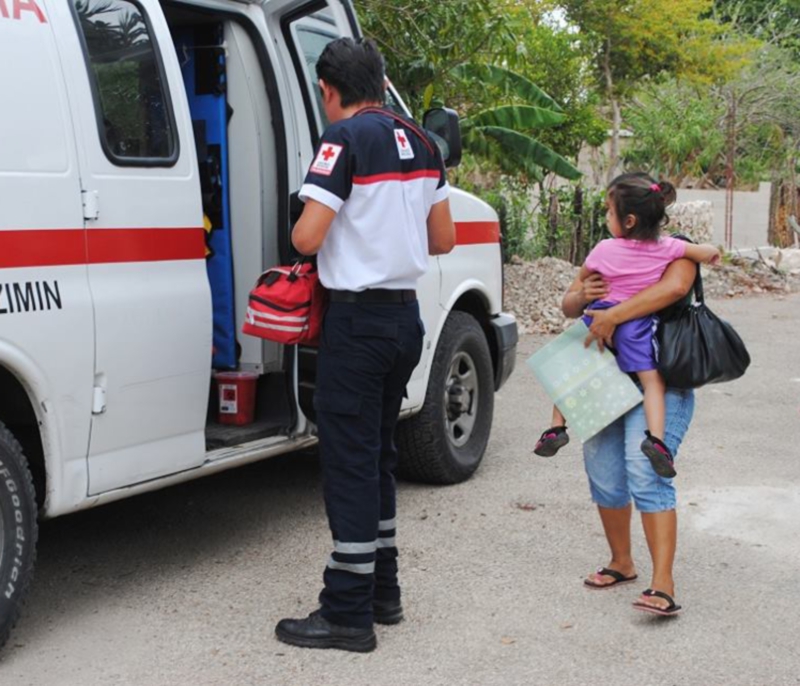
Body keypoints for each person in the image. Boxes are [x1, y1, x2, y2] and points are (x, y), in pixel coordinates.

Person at [274, 38, 455, 652]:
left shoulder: (343, 141)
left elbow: (305, 238)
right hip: (405, 320)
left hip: (358, 324)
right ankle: (384, 592)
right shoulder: (425, 144)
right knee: (376, 457)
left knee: (350, 464)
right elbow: (444, 239)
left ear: (329, 89)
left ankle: (346, 613)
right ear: (379, 82)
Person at [534, 173, 719, 479]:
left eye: (609, 211)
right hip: (638, 328)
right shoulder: (669, 247)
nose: (606, 217)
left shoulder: (605, 248)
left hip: (599, 318)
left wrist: (592, 299)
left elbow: (586, 278)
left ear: (629, 219)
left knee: (570, 372)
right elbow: (702, 252)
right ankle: (656, 440)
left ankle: (555, 427)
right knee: (652, 383)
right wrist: (711, 252)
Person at [561, 228, 700, 615]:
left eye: (612, 209)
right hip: (604, 377)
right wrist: (581, 297)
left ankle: (663, 584)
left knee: (645, 472)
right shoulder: (606, 252)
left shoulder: (677, 248)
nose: (609, 218)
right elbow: (569, 304)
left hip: (662, 380)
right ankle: (621, 562)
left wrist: (613, 316)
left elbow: (672, 289)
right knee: (603, 472)